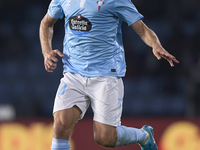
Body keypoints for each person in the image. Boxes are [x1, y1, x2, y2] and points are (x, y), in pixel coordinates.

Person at [39, 0, 179, 149]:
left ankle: (143, 136)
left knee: (105, 138)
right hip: (73, 73)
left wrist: (155, 44)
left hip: (105, 75)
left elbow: (143, 30)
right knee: (60, 126)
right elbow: (46, 23)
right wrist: (46, 52)